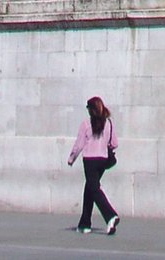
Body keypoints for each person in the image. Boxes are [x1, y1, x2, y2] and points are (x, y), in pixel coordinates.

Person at [66, 94, 120, 235]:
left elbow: (79, 144)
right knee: (89, 189)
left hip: (89, 160)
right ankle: (85, 224)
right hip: (103, 159)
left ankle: (110, 216)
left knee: (94, 189)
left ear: (91, 109)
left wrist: (71, 158)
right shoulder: (109, 123)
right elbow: (114, 143)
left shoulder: (86, 124)